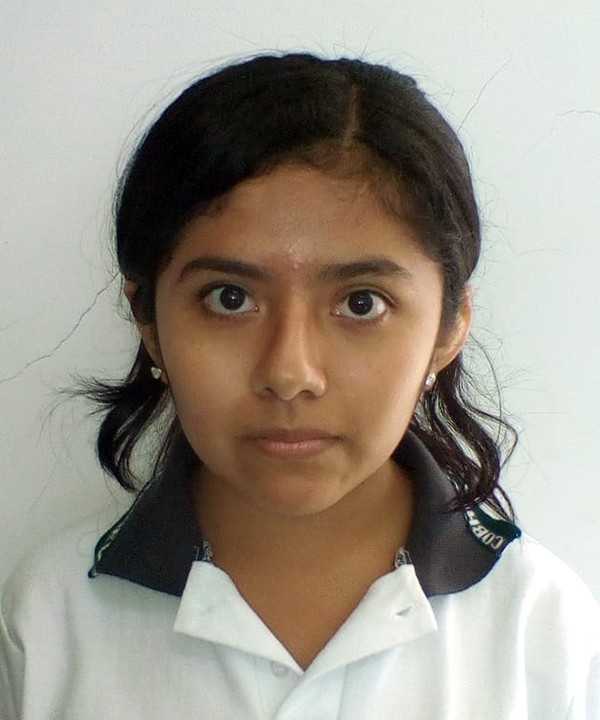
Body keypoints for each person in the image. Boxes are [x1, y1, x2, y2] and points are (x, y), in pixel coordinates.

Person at [1, 52, 598, 719]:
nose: (289, 374)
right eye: (229, 298)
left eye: (363, 303)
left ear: (449, 325)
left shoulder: (540, 628)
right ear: (149, 322)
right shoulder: (49, 619)